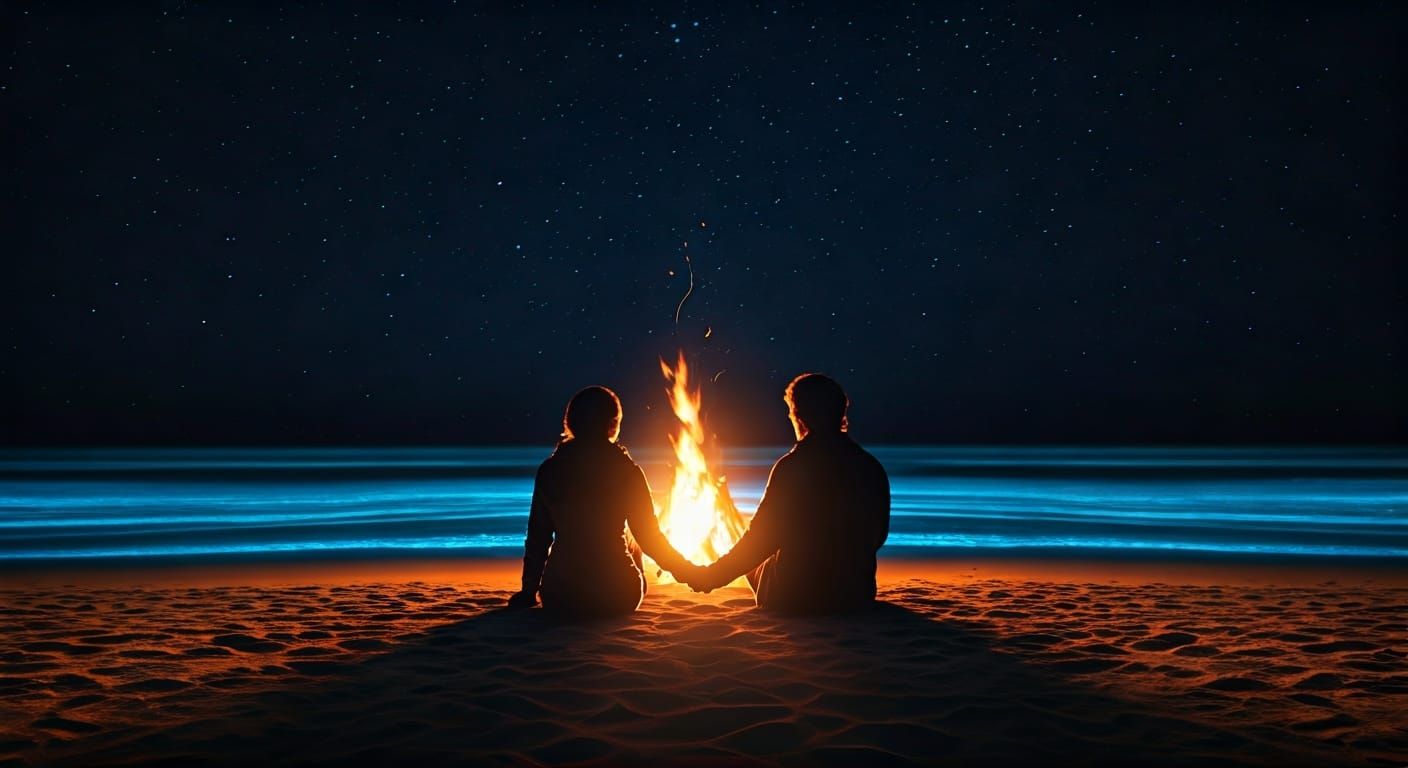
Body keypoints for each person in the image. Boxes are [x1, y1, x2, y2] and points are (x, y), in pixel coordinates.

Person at [685, 373, 890, 613]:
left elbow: (760, 540)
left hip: (795, 595)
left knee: (756, 551)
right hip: (856, 594)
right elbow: (878, 536)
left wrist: (710, 577)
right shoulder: (870, 466)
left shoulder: (792, 467)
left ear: (800, 416)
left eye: (791, 411)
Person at [508, 386, 694, 618]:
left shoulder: (550, 470)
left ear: (570, 422)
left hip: (561, 595)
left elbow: (538, 538)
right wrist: (687, 571)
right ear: (613, 424)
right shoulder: (627, 470)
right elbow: (649, 537)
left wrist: (528, 591)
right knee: (629, 539)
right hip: (616, 594)